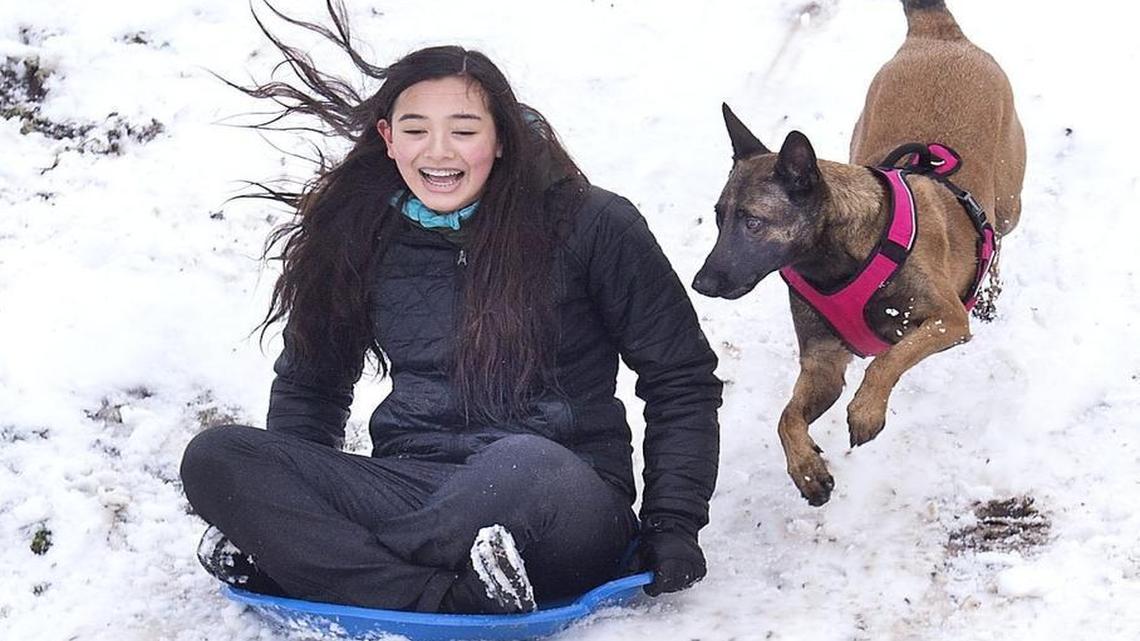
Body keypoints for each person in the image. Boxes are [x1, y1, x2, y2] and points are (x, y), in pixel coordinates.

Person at [179, 3, 721, 615]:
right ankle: (433, 595)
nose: (439, 151)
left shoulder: (593, 223)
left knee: (522, 462)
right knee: (218, 456)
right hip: (412, 484)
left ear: (501, 139)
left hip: (558, 499)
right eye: (414, 130)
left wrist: (673, 522)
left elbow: (680, 379)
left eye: (464, 130)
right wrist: (301, 491)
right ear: (387, 138)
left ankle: (324, 567)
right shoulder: (358, 234)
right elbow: (311, 389)